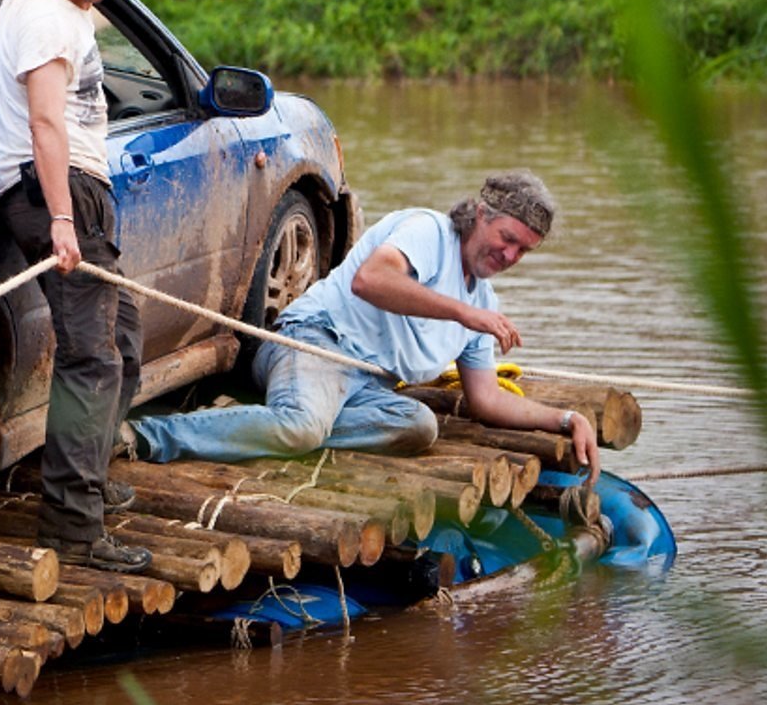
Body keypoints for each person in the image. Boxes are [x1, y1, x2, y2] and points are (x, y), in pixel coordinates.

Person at [124, 172, 601, 481]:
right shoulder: (430, 231)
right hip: (314, 341)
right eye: (508, 239)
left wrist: (565, 420)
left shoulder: (483, 301)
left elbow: (487, 399)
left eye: (524, 251)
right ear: (482, 216)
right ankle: (147, 438)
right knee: (302, 426)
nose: (511, 256)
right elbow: (370, 280)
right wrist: (463, 313)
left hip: (367, 384)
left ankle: (270, 422)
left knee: (417, 426)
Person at [0, 0, 152, 574]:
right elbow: (48, 121)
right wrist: (59, 216)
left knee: (124, 337)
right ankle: (74, 530)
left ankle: (86, 475)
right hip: (63, 190)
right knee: (92, 358)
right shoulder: (53, 20)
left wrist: (1, 130)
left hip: (49, 181)